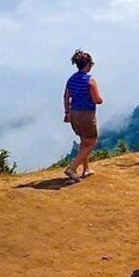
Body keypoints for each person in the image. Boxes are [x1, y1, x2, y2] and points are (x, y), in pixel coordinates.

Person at [63, 49, 103, 183]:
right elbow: (97, 99)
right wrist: (99, 100)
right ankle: (72, 168)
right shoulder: (90, 80)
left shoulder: (71, 79)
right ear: (88, 65)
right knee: (92, 142)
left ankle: (86, 169)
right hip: (86, 114)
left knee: (84, 141)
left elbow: (66, 96)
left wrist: (67, 113)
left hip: (74, 113)